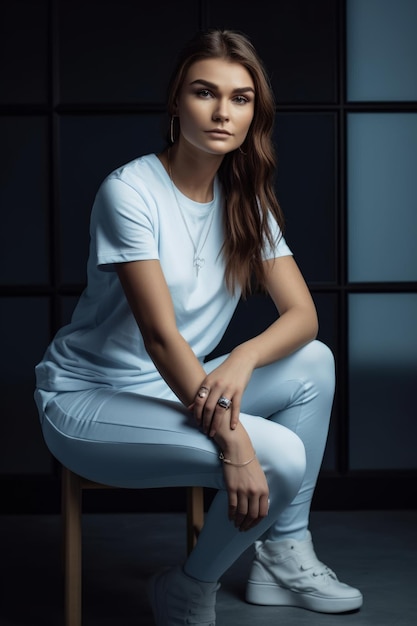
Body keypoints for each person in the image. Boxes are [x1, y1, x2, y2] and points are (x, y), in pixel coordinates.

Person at [34, 28, 362, 625]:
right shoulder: (130, 191)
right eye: (205, 92)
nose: (221, 111)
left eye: (241, 98)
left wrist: (240, 358)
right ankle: (189, 589)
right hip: (91, 400)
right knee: (280, 454)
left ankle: (282, 554)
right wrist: (234, 442)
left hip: (178, 384)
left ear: (254, 114)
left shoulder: (246, 201)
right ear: (175, 102)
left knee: (315, 361)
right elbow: (160, 338)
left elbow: (303, 317)